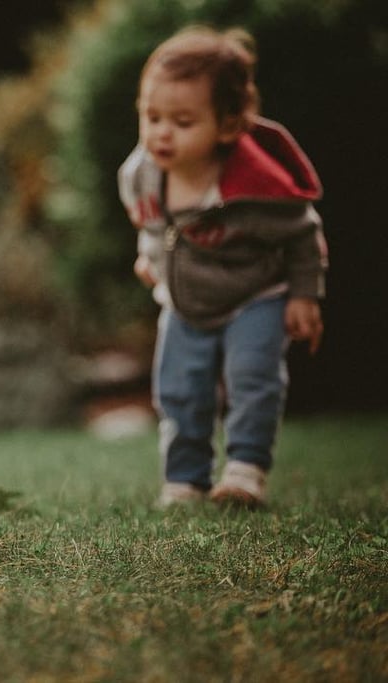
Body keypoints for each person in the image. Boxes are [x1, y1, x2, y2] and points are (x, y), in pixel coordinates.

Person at [118, 26, 328, 508]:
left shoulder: (258, 188)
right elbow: (150, 224)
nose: (161, 133)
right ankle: (185, 480)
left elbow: (301, 235)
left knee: (253, 379)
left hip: (256, 295)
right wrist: (150, 256)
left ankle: (245, 470)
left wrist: (304, 294)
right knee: (179, 390)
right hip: (185, 300)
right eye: (151, 117)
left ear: (229, 126)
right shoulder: (142, 175)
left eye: (183, 121)